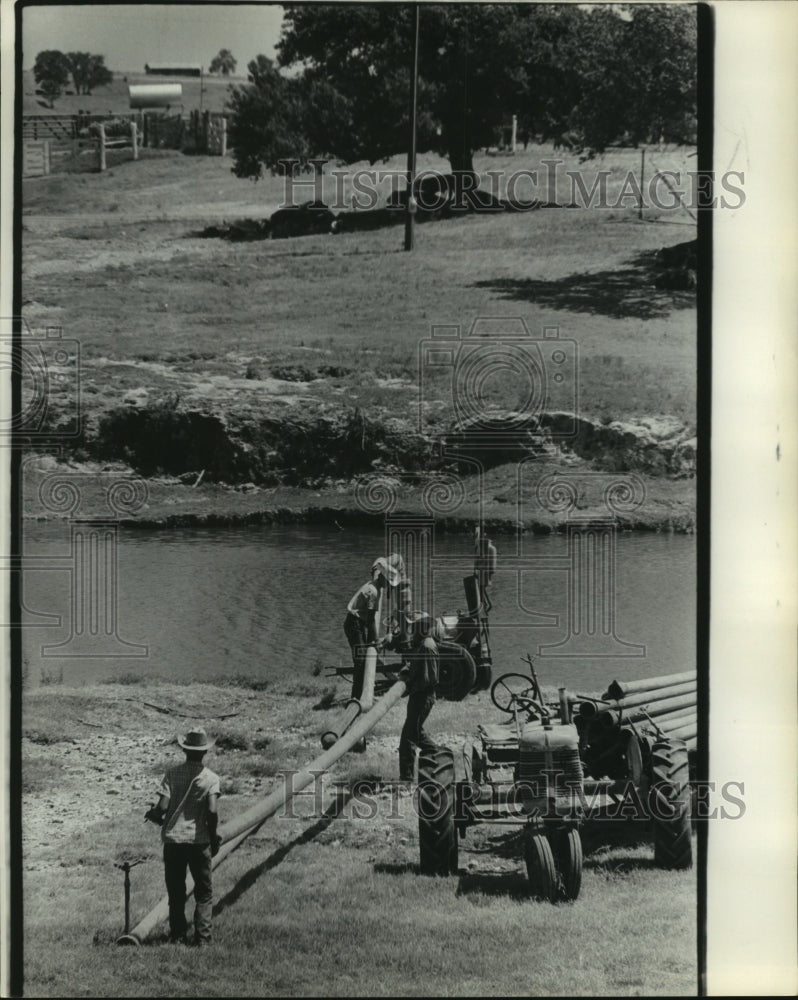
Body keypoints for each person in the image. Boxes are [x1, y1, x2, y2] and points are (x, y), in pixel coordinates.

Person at [145, 727, 221, 946]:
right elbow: (213, 811)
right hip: (199, 841)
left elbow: (162, 808)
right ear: (205, 752)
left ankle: (178, 936)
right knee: (204, 893)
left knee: (176, 892)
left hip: (174, 841)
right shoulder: (211, 778)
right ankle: (203, 940)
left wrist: (154, 814)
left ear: (184, 749)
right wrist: (213, 836)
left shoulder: (171, 774)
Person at [345, 560, 399, 701]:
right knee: (361, 660)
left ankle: (362, 694)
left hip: (358, 623)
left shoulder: (375, 586)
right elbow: (370, 620)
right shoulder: (374, 592)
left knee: (363, 658)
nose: (388, 587)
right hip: (354, 624)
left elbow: (368, 621)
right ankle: (355, 698)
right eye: (388, 583)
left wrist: (373, 642)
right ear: (382, 578)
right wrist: (375, 641)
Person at [398, 611, 439, 781]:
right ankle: (436, 756)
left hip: (422, 697)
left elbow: (429, 679)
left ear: (422, 627)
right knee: (415, 732)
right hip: (419, 696)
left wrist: (409, 687)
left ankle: (407, 779)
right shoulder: (421, 644)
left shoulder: (427, 646)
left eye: (414, 626)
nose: (412, 628)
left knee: (408, 739)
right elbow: (414, 666)